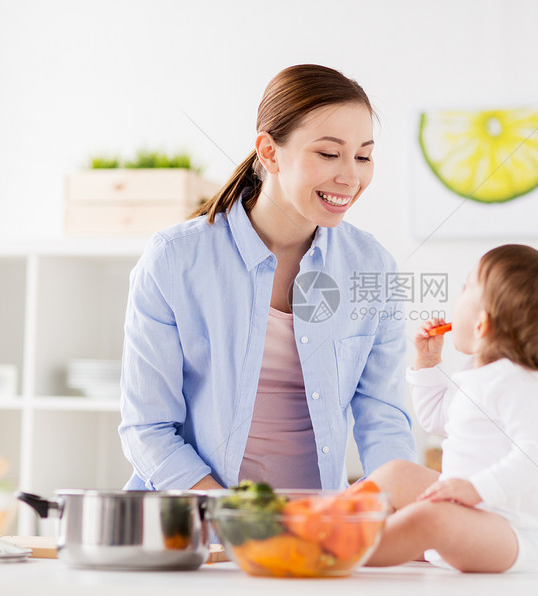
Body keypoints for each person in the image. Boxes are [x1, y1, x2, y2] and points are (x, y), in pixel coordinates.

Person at [118, 64, 417, 492]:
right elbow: (147, 429)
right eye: (329, 154)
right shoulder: (174, 259)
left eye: (364, 156)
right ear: (270, 152)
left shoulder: (373, 268)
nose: (351, 176)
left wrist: (376, 506)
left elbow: (384, 421)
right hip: (195, 526)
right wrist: (234, 518)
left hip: (313, 535)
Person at [365, 244, 538, 573]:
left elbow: (535, 456)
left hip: (514, 533)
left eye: (466, 286)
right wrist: (428, 363)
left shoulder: (526, 384)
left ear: (482, 325)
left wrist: (476, 489)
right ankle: (320, 523)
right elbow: (435, 418)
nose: (458, 294)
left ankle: (337, 551)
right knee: (394, 473)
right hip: (468, 514)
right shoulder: (474, 375)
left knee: (431, 517)